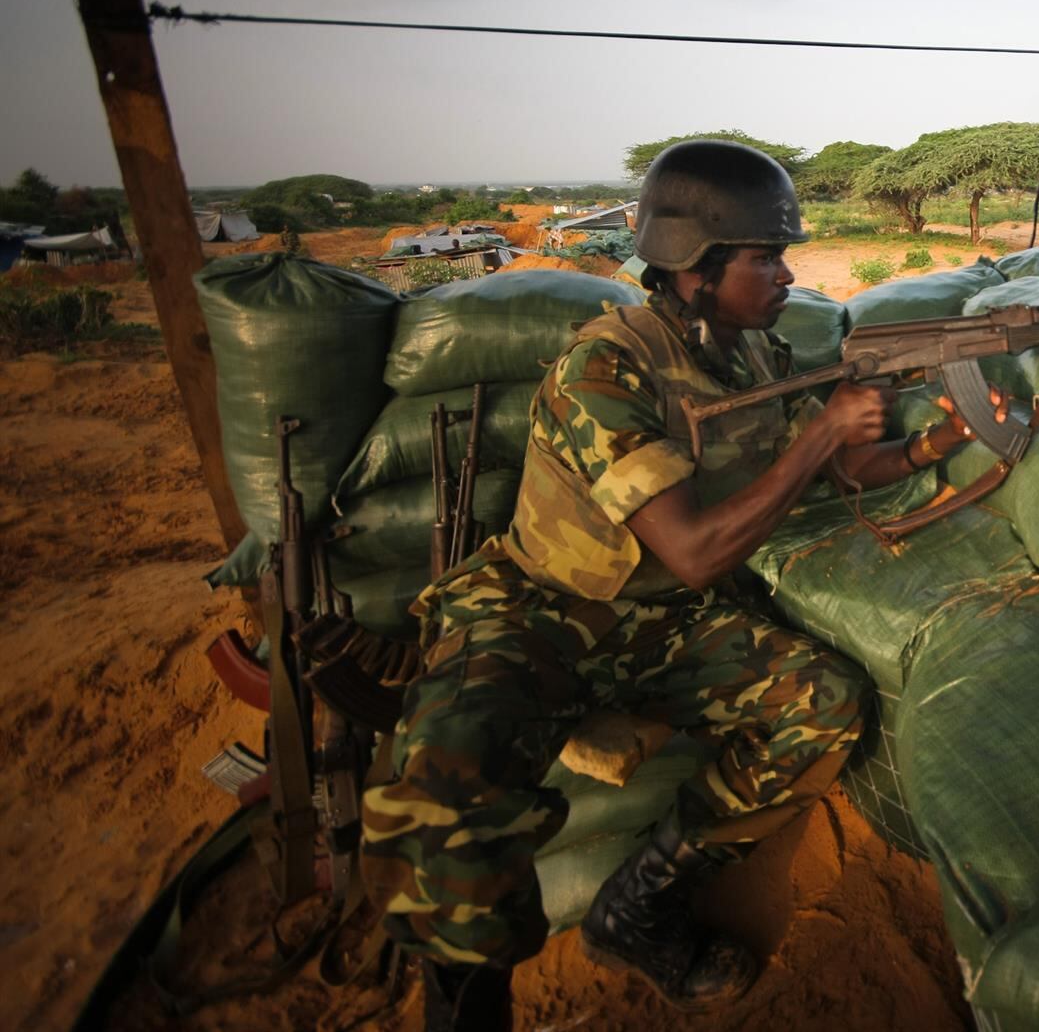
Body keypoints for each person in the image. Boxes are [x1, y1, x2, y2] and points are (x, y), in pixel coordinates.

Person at [360, 139, 990, 1032]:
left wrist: (932, 444)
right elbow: (695, 548)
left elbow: (840, 468)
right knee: (447, 779)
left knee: (825, 702)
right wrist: (822, 434)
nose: (786, 275)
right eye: (766, 257)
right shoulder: (604, 369)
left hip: (665, 619)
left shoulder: (756, 356)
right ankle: (465, 1004)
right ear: (696, 267)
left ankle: (640, 903)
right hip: (539, 609)